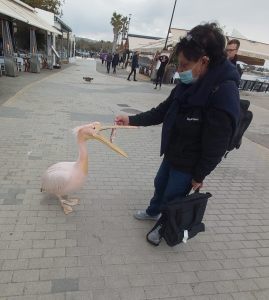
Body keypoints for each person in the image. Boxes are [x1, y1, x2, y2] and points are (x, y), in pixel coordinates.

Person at [115, 23, 240, 233]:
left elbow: (217, 145)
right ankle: (153, 211)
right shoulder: (189, 82)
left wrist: (199, 175)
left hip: (190, 163)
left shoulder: (224, 93)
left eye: (184, 65)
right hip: (174, 151)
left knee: (173, 195)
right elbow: (163, 110)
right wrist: (131, 120)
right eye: (178, 65)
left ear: (204, 61)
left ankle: (164, 227)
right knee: (160, 183)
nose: (179, 71)